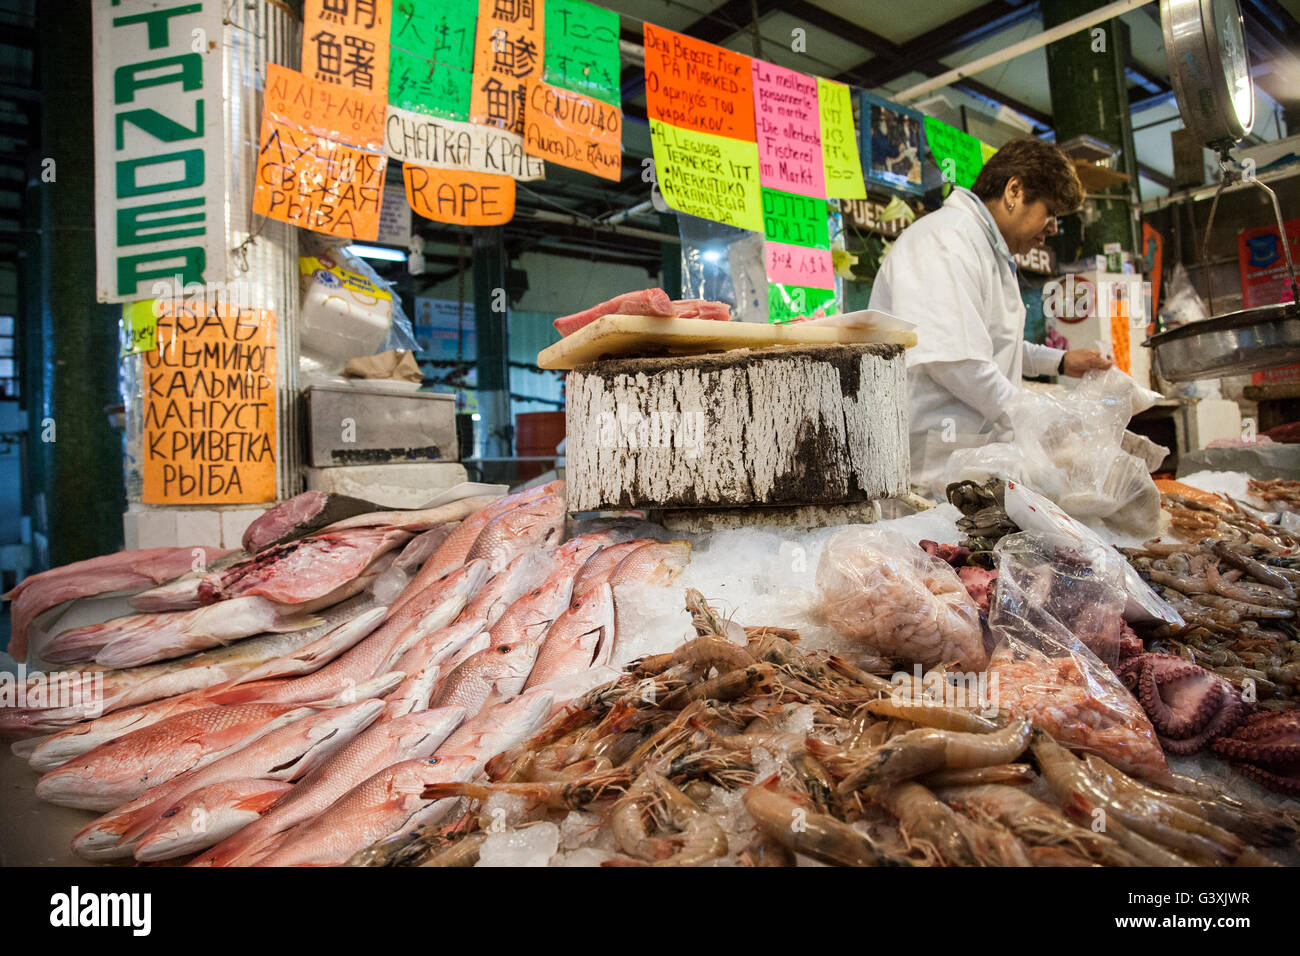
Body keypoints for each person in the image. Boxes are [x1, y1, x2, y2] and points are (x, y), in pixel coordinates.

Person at [868, 137, 1113, 492]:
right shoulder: (945, 241)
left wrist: (1060, 362)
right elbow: (955, 361)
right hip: (930, 470)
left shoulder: (988, 249)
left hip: (964, 464)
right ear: (1014, 190)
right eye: (1051, 211)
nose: (1053, 229)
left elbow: (993, 344)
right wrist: (1040, 422)